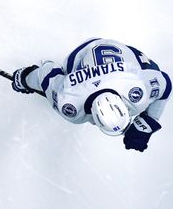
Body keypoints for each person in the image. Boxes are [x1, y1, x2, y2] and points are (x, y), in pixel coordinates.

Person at [11, 38, 170, 152]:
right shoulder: (70, 104)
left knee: (152, 71)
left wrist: (148, 123)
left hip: (121, 63)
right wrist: (25, 78)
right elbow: (45, 74)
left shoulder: (137, 87)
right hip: (85, 53)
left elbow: (166, 83)